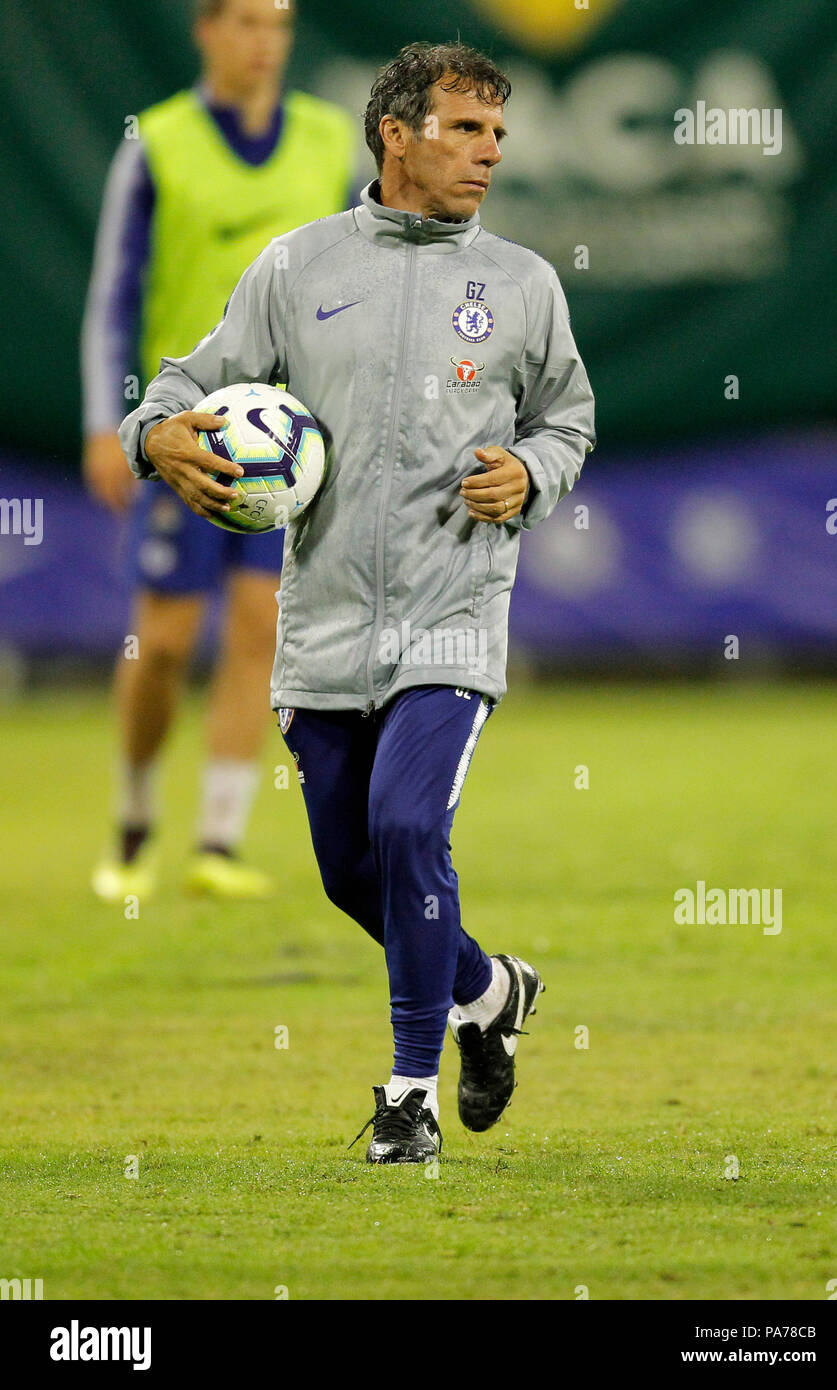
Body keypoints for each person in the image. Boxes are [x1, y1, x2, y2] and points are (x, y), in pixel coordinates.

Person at [119, 41, 596, 1162]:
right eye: (464, 130)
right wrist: (154, 434)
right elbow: (188, 382)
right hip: (323, 624)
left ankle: (406, 1097)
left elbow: (567, 420)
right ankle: (488, 990)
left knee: (406, 826)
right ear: (396, 135)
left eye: (496, 136)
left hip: (452, 616)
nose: (487, 154)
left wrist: (532, 472)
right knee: (351, 873)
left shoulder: (522, 284)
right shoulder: (297, 270)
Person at [82, 0, 357, 901]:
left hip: (285, 438)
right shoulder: (158, 142)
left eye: (276, 25)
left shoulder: (326, 139)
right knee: (161, 643)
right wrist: (104, 420)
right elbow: (113, 296)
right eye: (242, 22)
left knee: (260, 628)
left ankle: (218, 842)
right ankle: (132, 820)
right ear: (206, 31)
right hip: (188, 431)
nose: (262, 42)